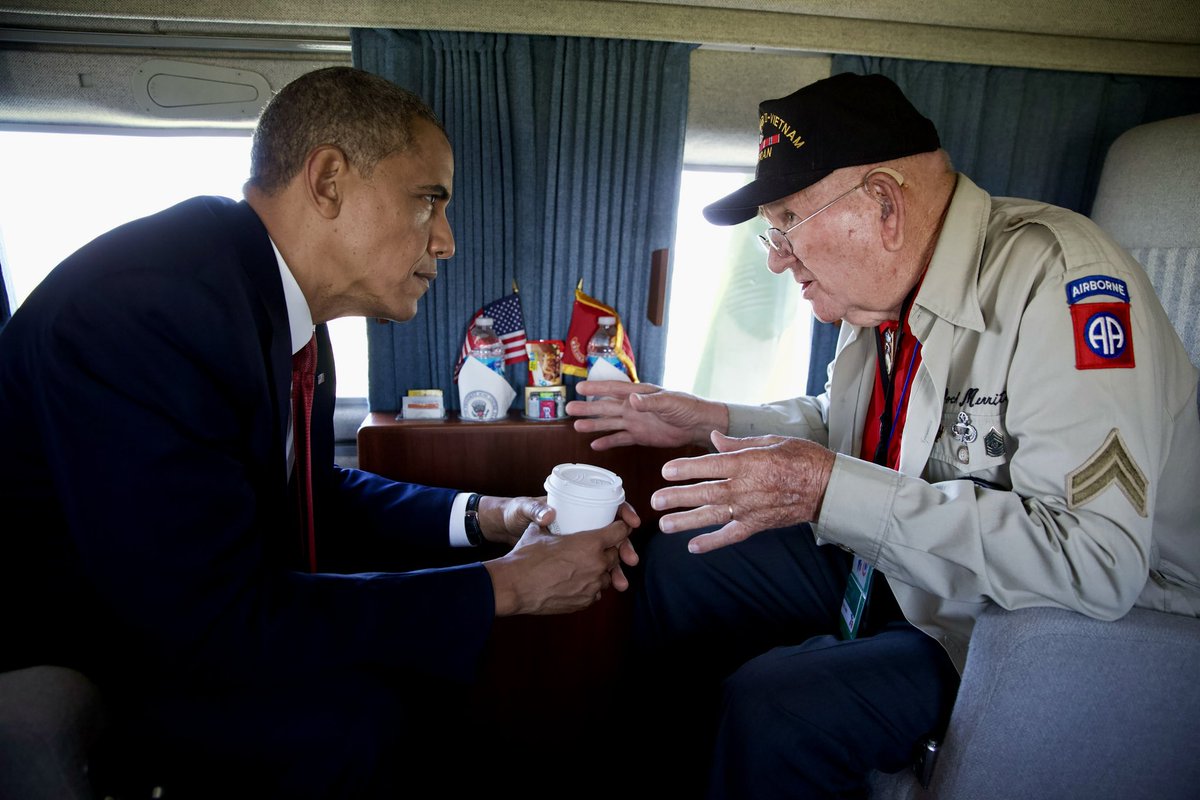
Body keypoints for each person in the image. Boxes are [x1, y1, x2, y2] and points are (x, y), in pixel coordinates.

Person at [0, 66, 639, 798]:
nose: (448, 241)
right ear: (329, 180)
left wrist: (495, 517)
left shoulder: (280, 311)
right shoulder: (149, 311)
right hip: (100, 654)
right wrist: (506, 588)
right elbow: (203, 623)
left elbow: (312, 492)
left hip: (189, 621)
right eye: (427, 200)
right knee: (363, 720)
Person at [568, 72, 1200, 798]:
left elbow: (1096, 560)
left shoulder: (1060, 284)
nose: (776, 257)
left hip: (1028, 622)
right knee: (680, 560)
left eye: (787, 222)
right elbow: (861, 425)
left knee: (775, 707)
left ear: (883, 205)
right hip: (916, 568)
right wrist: (717, 419)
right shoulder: (882, 293)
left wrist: (825, 488)